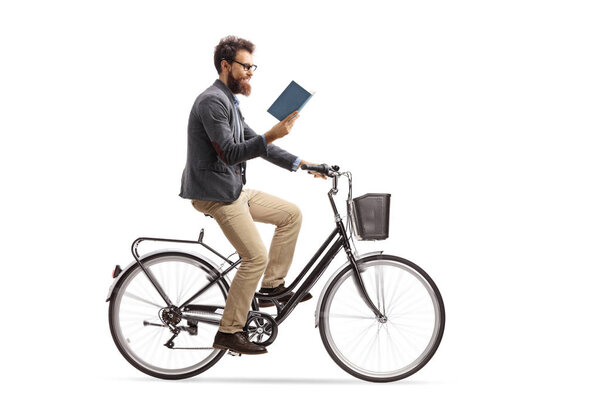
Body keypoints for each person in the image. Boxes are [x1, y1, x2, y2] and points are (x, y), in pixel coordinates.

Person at [179, 36, 325, 355]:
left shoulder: (228, 102)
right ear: (226, 66)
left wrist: (302, 163)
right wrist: (272, 133)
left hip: (231, 189)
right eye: (245, 67)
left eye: (251, 67)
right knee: (255, 256)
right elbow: (232, 153)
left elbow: (256, 144)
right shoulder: (211, 102)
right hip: (215, 193)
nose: (249, 73)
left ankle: (272, 288)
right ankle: (229, 331)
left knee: (291, 214)